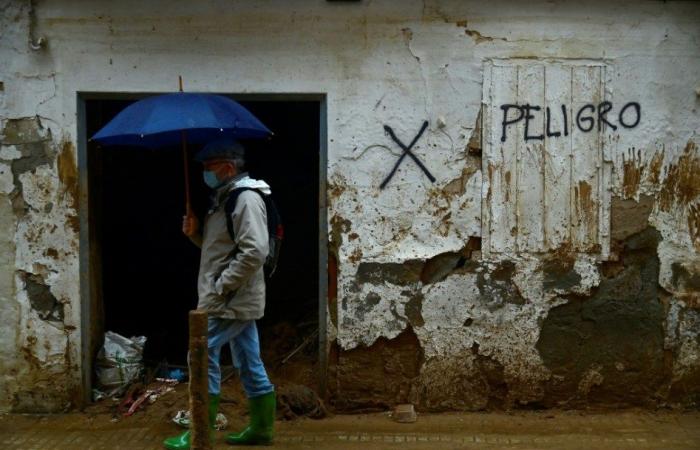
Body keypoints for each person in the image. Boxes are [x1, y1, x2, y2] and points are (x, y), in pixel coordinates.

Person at [164, 138, 276, 449]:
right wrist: (196, 233)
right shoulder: (225, 199)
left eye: (209, 167)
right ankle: (262, 429)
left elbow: (255, 252)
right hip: (233, 298)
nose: (205, 173)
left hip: (230, 299)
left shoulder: (245, 200)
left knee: (200, 355)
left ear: (228, 167)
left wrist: (222, 285)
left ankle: (201, 430)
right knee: (248, 361)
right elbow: (221, 253)